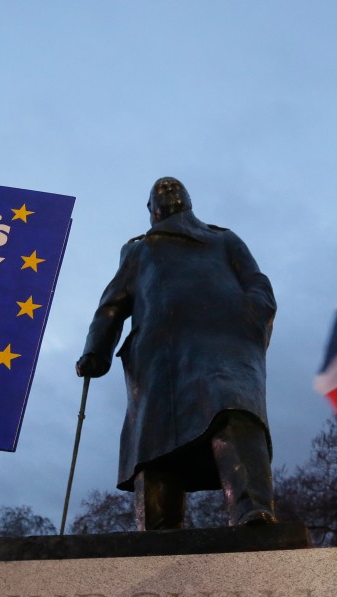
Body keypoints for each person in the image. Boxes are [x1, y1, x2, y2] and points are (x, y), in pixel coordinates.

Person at [76, 177, 277, 530]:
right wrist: (97, 349)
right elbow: (111, 305)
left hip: (224, 339)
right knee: (155, 443)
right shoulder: (139, 250)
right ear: (151, 210)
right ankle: (157, 533)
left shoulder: (224, 239)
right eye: (159, 192)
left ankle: (251, 510)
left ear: (188, 200)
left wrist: (253, 313)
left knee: (233, 409)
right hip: (158, 356)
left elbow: (256, 280)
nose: (167, 192)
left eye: (173, 189)